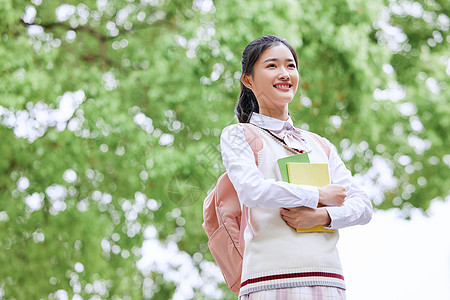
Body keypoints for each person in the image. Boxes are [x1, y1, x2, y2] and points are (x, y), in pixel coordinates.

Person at [220, 35, 372, 300]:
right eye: (272, 66)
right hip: (267, 283)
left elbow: (363, 206)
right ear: (248, 80)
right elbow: (251, 191)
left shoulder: (319, 144)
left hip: (327, 280)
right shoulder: (238, 135)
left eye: (290, 66)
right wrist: (318, 196)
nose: (284, 73)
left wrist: (322, 217)